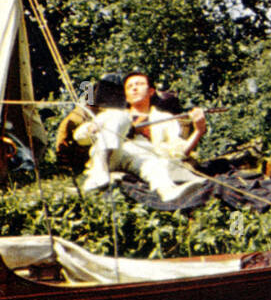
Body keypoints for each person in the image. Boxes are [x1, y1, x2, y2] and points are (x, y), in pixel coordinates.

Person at [73, 71, 208, 203]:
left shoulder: (165, 119)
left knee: (154, 163)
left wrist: (198, 131)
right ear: (126, 95)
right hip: (112, 156)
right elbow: (79, 138)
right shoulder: (111, 115)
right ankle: (100, 173)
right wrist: (90, 129)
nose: (134, 88)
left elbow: (178, 152)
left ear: (151, 91)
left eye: (139, 84)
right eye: (129, 87)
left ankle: (167, 192)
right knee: (121, 117)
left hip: (142, 158)